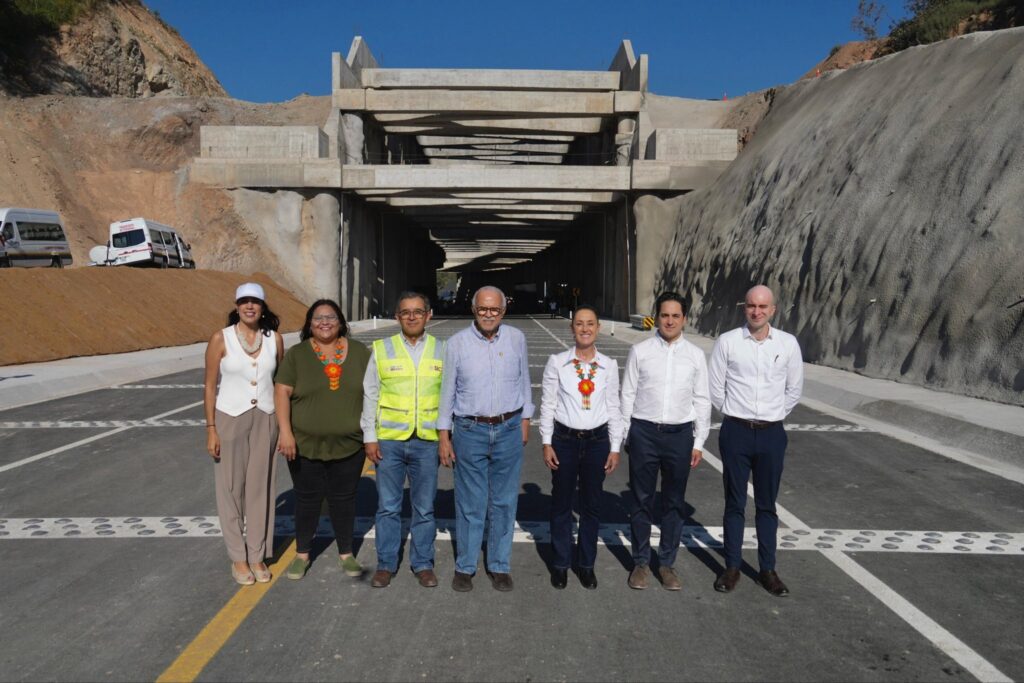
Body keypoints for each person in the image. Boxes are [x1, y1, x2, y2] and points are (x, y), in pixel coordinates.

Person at [438, 286, 534, 592]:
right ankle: (465, 565)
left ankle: (499, 564)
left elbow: (524, 381)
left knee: (504, 501)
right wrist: (444, 435)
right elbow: (447, 392)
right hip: (469, 430)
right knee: (470, 501)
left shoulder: (517, 339)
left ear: (503, 311)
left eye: (494, 310)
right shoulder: (456, 344)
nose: (488, 315)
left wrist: (526, 418)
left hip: (508, 427)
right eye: (483, 309)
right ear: (473, 309)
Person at [709, 285, 803, 597]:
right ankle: (732, 567)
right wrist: (737, 414)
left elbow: (793, 390)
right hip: (735, 431)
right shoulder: (728, 342)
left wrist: (772, 415)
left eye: (763, 306)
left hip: (772, 434)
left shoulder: (788, 344)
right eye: (751, 305)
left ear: (773, 310)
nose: (756, 311)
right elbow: (715, 387)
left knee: (767, 505)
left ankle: (767, 570)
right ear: (744, 307)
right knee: (734, 502)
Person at [274, 299, 372, 581]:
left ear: (341, 322)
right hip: (304, 444)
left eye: (330, 317)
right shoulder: (298, 354)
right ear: (309, 324)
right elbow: (281, 393)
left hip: (351, 444)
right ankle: (303, 553)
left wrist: (371, 434)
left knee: (345, 499)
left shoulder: (359, 352)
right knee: (306, 499)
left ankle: (346, 552)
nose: (324, 322)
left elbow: (373, 393)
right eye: (318, 318)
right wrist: (285, 432)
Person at [620, 291, 710, 591]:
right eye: (664, 315)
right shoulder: (641, 351)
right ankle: (641, 563)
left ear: (684, 318)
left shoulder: (696, 356)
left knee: (673, 502)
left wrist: (698, 442)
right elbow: (628, 394)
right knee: (641, 500)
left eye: (675, 315)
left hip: (680, 435)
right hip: (644, 432)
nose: (669, 320)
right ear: (656, 316)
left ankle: (667, 564)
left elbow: (702, 399)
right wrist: (624, 434)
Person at [203, 282, 284, 585]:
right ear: (236, 306)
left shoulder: (274, 339)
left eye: (256, 302)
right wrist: (211, 429)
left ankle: (257, 554)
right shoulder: (220, 339)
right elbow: (210, 386)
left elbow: (279, 384)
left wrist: (284, 427)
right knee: (230, 489)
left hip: (266, 418)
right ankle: (238, 558)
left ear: (264, 307)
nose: (250, 306)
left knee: (260, 489)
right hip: (229, 417)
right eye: (244, 301)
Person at [361, 291, 444, 589]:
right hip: (390, 441)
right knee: (388, 506)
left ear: (428, 315)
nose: (411, 317)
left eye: (418, 312)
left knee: (424, 507)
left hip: (427, 440)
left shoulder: (441, 349)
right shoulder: (382, 349)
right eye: (405, 312)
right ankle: (386, 564)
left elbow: (449, 398)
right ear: (397, 316)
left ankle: (422, 564)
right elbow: (371, 394)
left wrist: (446, 438)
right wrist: (370, 436)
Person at [539, 305, 622, 590]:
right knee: (561, 503)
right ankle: (560, 564)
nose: (584, 329)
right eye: (579, 324)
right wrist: (547, 442)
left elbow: (614, 406)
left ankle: (586, 564)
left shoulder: (609, 365)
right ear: (572, 328)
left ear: (598, 328)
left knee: (592, 505)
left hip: (598, 441)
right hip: (565, 441)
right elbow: (548, 404)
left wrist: (615, 447)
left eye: (590, 324)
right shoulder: (557, 362)